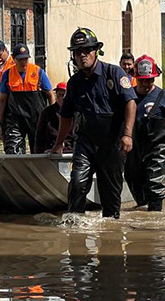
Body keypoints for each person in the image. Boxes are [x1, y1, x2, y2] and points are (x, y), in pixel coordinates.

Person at [49, 28, 137, 219]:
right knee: (78, 183)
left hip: (112, 144)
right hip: (86, 143)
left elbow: (130, 103)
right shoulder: (74, 83)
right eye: (77, 52)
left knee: (110, 199)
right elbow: (66, 116)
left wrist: (128, 135)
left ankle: (110, 237)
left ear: (95, 50)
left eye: (86, 50)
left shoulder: (113, 73)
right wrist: (58, 144)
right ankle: (74, 227)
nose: (82, 56)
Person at [124, 56, 165, 211]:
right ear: (135, 78)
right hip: (134, 148)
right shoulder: (128, 97)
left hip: (157, 148)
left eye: (150, 80)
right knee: (133, 180)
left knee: (154, 184)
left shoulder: (163, 96)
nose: (146, 84)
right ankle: (143, 214)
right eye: (142, 81)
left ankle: (154, 221)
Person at [0, 43, 54, 154]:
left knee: (40, 151)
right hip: (15, 118)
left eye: (25, 59)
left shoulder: (38, 72)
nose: (23, 62)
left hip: (37, 118)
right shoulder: (7, 75)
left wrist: (52, 118)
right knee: (13, 151)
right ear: (13, 58)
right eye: (20, 59)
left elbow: (51, 95)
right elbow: (2, 99)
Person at [34, 82, 76, 154]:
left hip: (70, 150)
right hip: (50, 150)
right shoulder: (46, 112)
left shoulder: (75, 112)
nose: (62, 98)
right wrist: (38, 153)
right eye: (59, 94)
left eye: (64, 95)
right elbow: (39, 135)